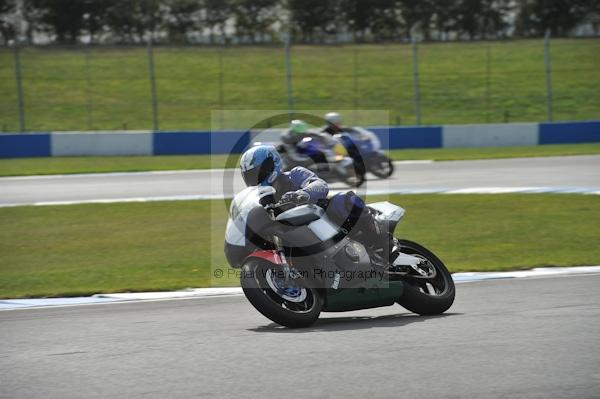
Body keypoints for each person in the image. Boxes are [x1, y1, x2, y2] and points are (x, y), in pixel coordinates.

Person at [239, 145, 393, 265]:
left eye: (258, 172)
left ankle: (382, 241)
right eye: (251, 175)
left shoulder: (295, 174)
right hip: (297, 234)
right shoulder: (259, 198)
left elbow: (320, 184)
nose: (256, 178)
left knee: (344, 200)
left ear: (271, 164)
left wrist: (303, 193)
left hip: (324, 220)